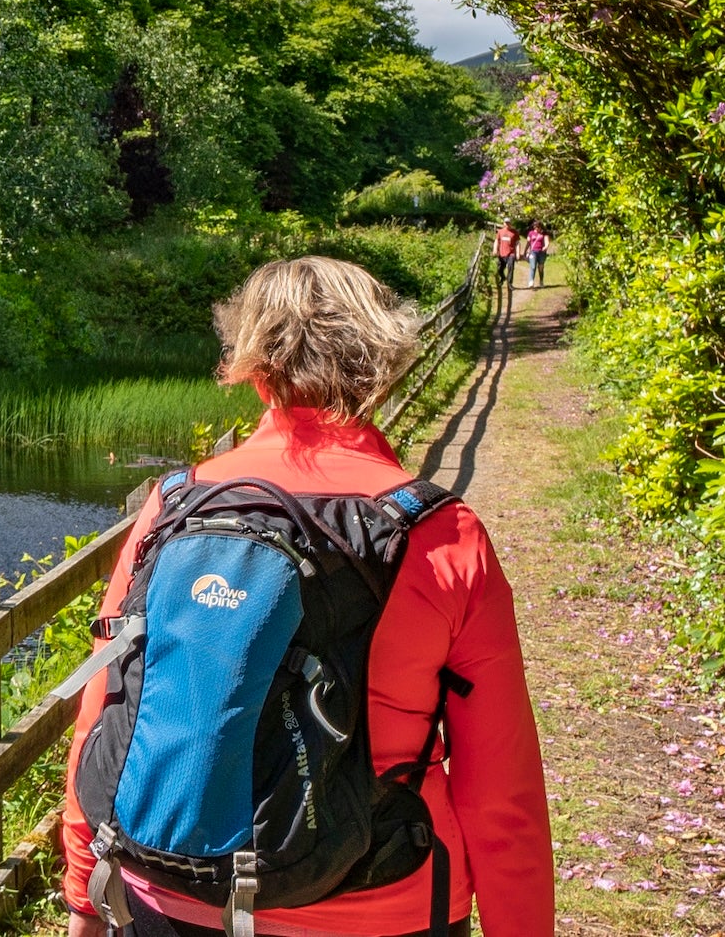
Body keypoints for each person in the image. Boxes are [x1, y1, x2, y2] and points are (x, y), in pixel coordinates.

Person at [62, 256, 554, 937]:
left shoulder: (174, 506)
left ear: (254, 365)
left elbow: (107, 709)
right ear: (382, 363)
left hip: (168, 896)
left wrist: (85, 888)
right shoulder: (440, 534)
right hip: (382, 904)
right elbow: (502, 792)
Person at [492, 219, 519, 294]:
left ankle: (510, 284)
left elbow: (517, 243)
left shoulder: (515, 232)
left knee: (510, 268)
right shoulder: (500, 232)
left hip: (511, 253)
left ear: (511, 223)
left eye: (508, 223)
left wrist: (517, 253)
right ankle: (503, 277)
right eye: (506, 223)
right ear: (503, 223)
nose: (507, 224)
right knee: (499, 269)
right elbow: (497, 241)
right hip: (502, 253)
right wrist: (495, 249)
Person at [524, 223, 550, 288]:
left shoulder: (544, 234)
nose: (536, 228)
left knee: (541, 268)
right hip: (533, 252)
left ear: (541, 227)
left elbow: (547, 242)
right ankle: (531, 281)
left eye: (537, 227)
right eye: (535, 227)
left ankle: (541, 281)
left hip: (542, 252)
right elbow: (528, 243)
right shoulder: (531, 233)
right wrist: (525, 251)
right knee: (533, 266)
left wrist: (545, 247)